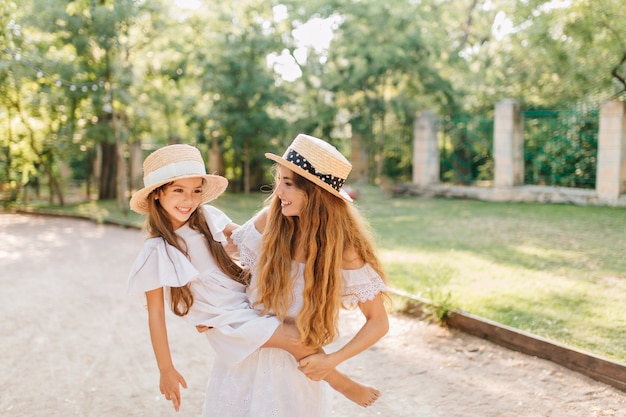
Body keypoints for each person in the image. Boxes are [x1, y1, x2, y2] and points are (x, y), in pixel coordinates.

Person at [126, 143, 378, 414]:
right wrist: (167, 368)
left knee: (300, 338)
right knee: (296, 338)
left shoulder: (207, 218)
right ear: (156, 195)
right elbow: (155, 314)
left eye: (196, 191)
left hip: (242, 309)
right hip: (228, 319)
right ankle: (344, 384)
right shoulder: (159, 249)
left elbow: (240, 243)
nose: (188, 200)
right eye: (178, 191)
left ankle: (339, 381)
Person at [203, 133, 389, 416]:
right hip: (247, 351)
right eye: (279, 181)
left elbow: (378, 322)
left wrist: (332, 361)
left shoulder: (345, 249)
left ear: (315, 193)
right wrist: (212, 309)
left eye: (288, 184)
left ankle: (342, 383)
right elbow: (235, 263)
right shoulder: (271, 219)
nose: (278, 192)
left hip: (296, 367)